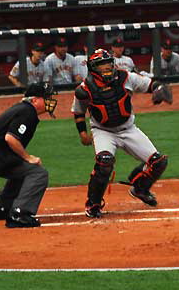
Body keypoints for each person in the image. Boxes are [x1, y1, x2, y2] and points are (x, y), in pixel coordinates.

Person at [72, 49, 172, 218]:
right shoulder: (84, 89)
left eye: (108, 64)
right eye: (102, 65)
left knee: (159, 162)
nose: (106, 68)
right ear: (93, 68)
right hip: (103, 131)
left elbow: (151, 84)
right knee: (104, 163)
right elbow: (78, 112)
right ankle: (93, 205)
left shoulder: (126, 78)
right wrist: (82, 133)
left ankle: (140, 188)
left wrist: (159, 89)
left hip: (128, 129)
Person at [0, 83, 56, 228]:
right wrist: (28, 157)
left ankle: (1, 209)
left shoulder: (22, 109)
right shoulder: (28, 111)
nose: (50, 101)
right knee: (38, 173)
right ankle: (20, 214)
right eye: (47, 98)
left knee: (22, 172)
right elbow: (10, 138)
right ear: (35, 100)